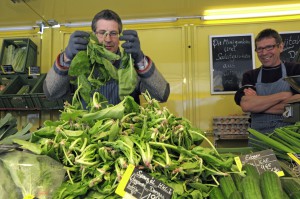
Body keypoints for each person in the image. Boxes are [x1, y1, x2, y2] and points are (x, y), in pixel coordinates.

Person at [43, 9, 170, 106]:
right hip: (88, 135)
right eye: (102, 33)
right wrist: (66, 57)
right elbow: (51, 93)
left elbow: (162, 95)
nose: (108, 39)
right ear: (93, 35)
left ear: (120, 36)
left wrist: (140, 60)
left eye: (113, 33)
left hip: (125, 136)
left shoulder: (130, 65)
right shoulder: (81, 64)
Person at [234, 28, 300, 145]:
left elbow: (298, 106)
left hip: (289, 140)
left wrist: (258, 106)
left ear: (280, 47)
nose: (264, 53)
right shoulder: (250, 75)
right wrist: (284, 95)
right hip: (258, 142)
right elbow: (246, 105)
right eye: (260, 49)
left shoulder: (295, 70)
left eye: (269, 47)